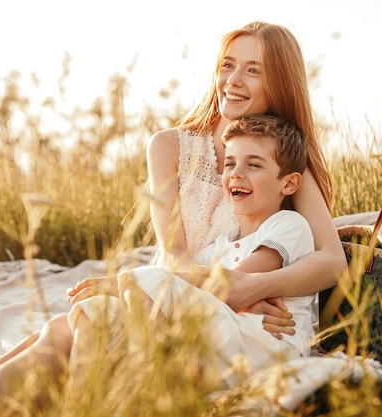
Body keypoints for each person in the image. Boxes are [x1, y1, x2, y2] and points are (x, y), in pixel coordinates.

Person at [0, 113, 315, 417]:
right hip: (219, 339)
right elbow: (204, 284)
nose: (235, 175)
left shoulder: (288, 224)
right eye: (230, 164)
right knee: (94, 312)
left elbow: (235, 283)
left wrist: (129, 282)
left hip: (259, 350)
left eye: (253, 165)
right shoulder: (220, 245)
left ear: (288, 183)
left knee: (136, 282)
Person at [146, 21, 346, 338]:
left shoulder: (284, 163)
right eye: (228, 65)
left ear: (279, 84)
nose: (233, 81)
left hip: (228, 320)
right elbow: (174, 255)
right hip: (170, 289)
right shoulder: (167, 147)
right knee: (59, 333)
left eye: (253, 71)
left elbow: (333, 261)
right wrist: (228, 295)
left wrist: (252, 288)